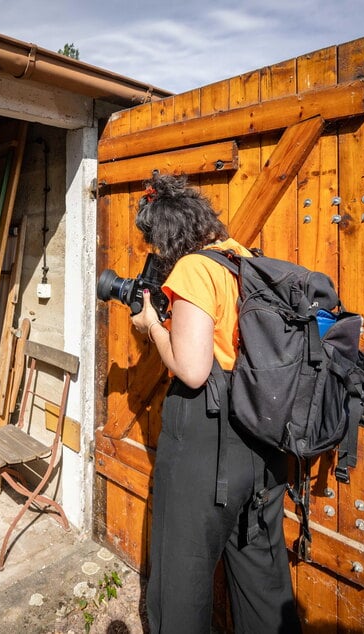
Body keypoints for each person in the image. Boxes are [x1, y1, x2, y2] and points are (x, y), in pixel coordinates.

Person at [129, 173, 301, 633]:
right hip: (261, 439)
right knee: (262, 576)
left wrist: (152, 326)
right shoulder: (245, 259)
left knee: (182, 574)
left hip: (208, 444)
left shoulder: (194, 270)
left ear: (166, 234)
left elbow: (192, 368)